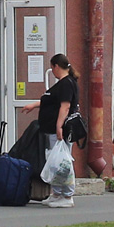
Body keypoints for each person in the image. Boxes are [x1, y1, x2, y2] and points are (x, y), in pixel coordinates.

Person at [21, 53, 79, 208]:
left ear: (56, 66)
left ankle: (67, 196)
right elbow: (51, 100)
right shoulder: (62, 83)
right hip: (52, 129)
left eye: (52, 68)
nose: (52, 71)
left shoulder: (67, 83)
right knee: (54, 162)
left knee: (61, 164)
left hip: (60, 130)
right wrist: (33, 105)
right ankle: (57, 193)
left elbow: (65, 106)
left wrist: (59, 126)